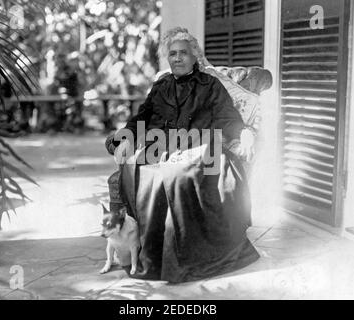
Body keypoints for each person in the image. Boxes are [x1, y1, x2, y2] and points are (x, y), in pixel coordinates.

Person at [105, 27, 260, 283]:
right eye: (172, 54)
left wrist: (243, 133)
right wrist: (125, 137)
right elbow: (140, 118)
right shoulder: (161, 85)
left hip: (202, 149)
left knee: (175, 175)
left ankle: (186, 260)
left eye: (183, 53)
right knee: (140, 168)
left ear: (195, 56)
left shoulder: (210, 85)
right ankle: (154, 256)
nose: (177, 58)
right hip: (165, 148)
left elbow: (228, 118)